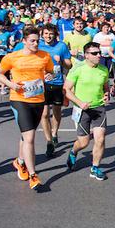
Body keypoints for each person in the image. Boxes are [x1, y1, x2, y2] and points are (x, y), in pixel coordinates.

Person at [0, 26, 55, 191]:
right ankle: (33, 175)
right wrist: (11, 84)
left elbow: (51, 72)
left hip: (38, 99)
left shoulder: (44, 56)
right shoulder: (13, 57)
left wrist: (51, 75)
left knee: (25, 135)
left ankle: (19, 162)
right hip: (19, 100)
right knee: (30, 137)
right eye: (32, 41)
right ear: (24, 41)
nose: (36, 43)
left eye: (37, 40)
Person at [63, 41, 111, 180]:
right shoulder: (77, 69)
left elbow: (105, 86)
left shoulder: (103, 69)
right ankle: (73, 151)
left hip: (99, 108)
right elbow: (66, 90)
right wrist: (79, 103)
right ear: (86, 55)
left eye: (99, 53)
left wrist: (106, 93)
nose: (98, 55)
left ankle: (95, 168)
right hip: (82, 109)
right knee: (84, 143)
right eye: (94, 53)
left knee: (100, 139)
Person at [35, 23, 72, 158]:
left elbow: (69, 64)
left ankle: (55, 133)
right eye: (45, 33)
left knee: (56, 111)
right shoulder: (38, 46)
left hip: (57, 83)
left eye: (50, 33)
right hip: (41, 84)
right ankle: (49, 141)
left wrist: (61, 60)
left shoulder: (61, 46)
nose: (48, 36)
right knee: (44, 114)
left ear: (55, 34)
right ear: (42, 34)